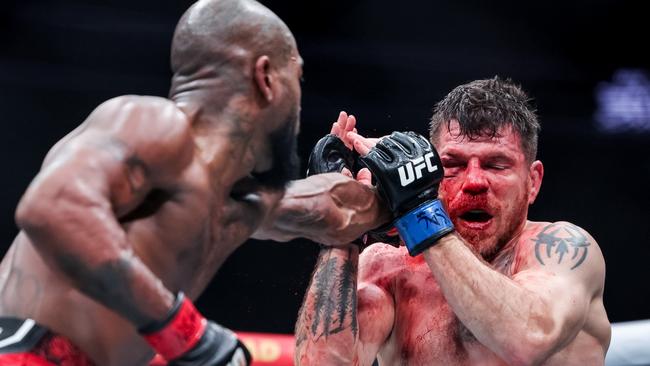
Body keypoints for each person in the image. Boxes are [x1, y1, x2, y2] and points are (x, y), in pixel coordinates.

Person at [0, 0, 388, 365]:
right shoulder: (152, 123)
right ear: (266, 77)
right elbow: (51, 209)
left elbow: (329, 208)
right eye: (297, 76)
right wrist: (183, 331)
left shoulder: (232, 202)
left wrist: (404, 190)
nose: (300, 100)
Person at [295, 77, 611, 365]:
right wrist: (340, 235)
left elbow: (528, 340)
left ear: (533, 181)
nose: (474, 181)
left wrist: (418, 210)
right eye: (453, 165)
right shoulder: (389, 271)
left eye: (496, 165)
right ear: (429, 174)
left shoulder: (562, 250)